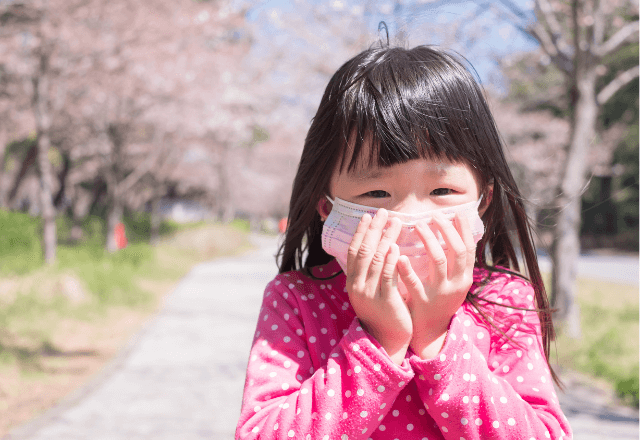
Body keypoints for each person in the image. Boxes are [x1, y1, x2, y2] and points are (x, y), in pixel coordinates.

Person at [236, 44, 572, 440]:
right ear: (327, 206)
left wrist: (435, 338)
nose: (410, 218)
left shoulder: (505, 300)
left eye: (443, 189)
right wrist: (380, 341)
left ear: (485, 199)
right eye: (375, 193)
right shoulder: (297, 301)